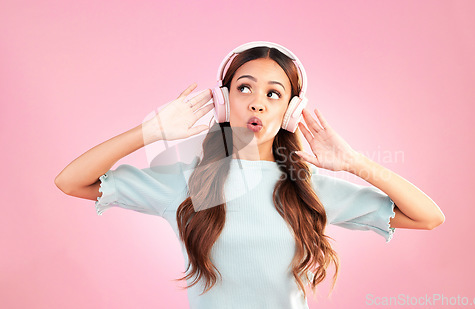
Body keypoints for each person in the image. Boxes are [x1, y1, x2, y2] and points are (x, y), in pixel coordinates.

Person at [55, 41, 445, 309]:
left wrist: (354, 162)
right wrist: (150, 132)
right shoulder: (184, 181)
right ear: (224, 102)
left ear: (290, 112)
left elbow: (428, 217)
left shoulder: (308, 188)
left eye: (274, 93)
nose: (257, 101)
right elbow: (71, 181)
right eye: (244, 88)